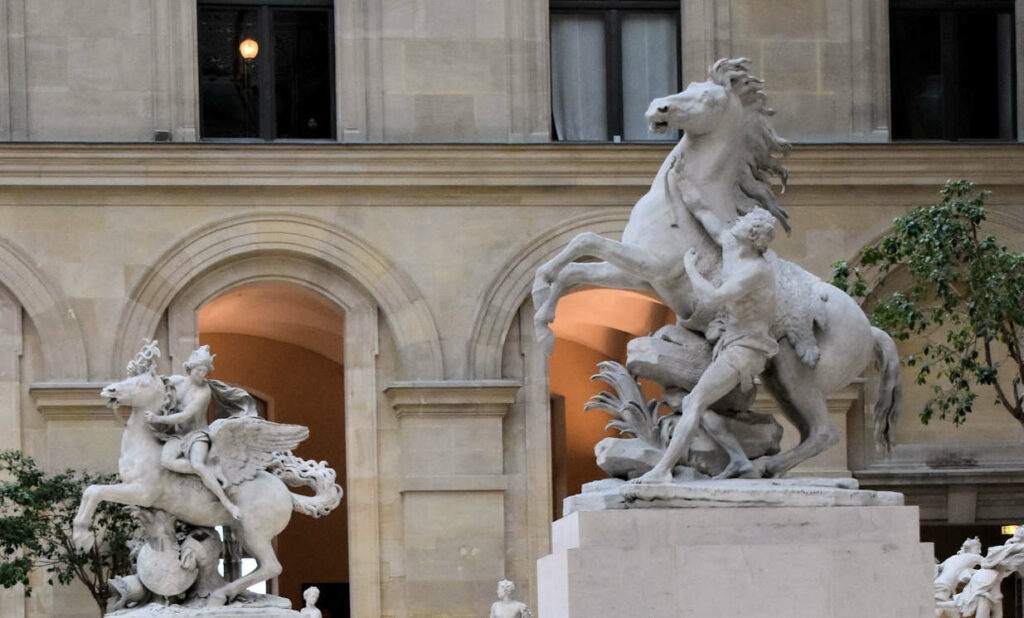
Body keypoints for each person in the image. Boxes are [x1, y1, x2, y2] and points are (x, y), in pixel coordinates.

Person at [634, 207, 778, 484]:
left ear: (751, 234)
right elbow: (710, 219)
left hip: (746, 350)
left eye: (744, 220)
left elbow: (713, 298)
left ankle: (662, 470)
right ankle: (739, 461)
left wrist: (689, 267)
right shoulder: (734, 251)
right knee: (699, 404)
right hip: (730, 344)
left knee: (694, 403)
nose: (737, 220)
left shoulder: (756, 270)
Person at [146, 346, 242, 519]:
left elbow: (184, 415)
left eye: (205, 371)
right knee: (166, 461)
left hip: (198, 434)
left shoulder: (204, 391)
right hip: (179, 435)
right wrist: (147, 370)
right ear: (191, 368)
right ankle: (207, 472)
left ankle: (227, 504)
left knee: (198, 464)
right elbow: (155, 385)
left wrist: (157, 419)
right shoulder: (176, 381)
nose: (201, 374)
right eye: (199, 370)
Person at [953, 529, 1024, 618]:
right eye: (977, 549)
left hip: (991, 584)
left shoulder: (1008, 552)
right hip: (985, 585)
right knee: (987, 611)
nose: (979, 552)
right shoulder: (996, 557)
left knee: (996, 613)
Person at [933, 537, 983, 617]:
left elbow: (938, 568)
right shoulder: (973, 557)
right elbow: (990, 564)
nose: (980, 551)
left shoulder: (952, 558)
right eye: (978, 549)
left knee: (952, 611)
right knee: (936, 612)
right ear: (973, 548)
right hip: (944, 586)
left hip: (940, 585)